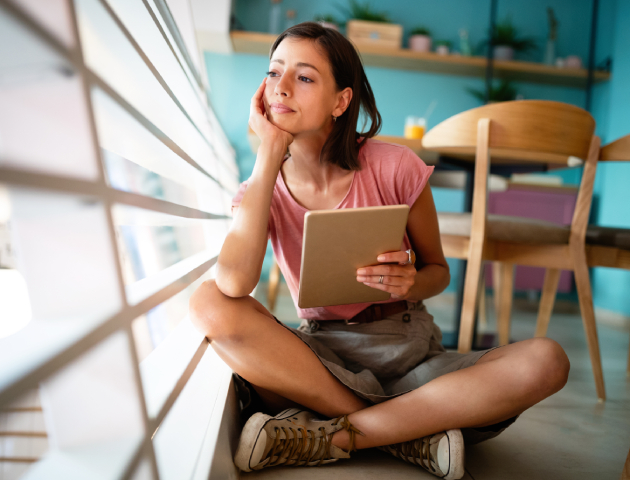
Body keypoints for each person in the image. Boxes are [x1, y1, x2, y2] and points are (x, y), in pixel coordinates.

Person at [189, 22, 570, 479]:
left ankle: (337, 435)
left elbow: (439, 270)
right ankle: (408, 433)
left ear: (341, 101)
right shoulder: (260, 188)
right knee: (208, 302)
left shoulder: (395, 167)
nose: (282, 88)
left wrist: (411, 279)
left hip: (409, 354)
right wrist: (269, 154)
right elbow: (232, 284)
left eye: (305, 77)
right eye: (274, 73)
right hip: (323, 361)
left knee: (547, 360)